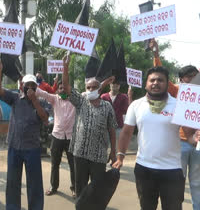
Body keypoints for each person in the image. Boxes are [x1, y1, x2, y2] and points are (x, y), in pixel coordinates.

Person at [113, 66, 200, 210]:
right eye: (152, 80)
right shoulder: (136, 105)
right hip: (144, 169)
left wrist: (195, 138)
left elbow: (189, 136)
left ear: (167, 83)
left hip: (172, 170)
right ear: (146, 84)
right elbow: (127, 132)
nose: (155, 83)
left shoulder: (179, 105)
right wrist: (120, 156)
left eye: (160, 80)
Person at [152, 39, 200, 209]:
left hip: (199, 144)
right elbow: (161, 73)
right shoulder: (177, 91)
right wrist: (156, 54)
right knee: (178, 181)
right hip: (180, 144)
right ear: (182, 79)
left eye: (197, 76)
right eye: (191, 76)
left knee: (197, 183)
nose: (195, 79)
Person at [0, 60, 49, 210]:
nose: (30, 88)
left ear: (36, 87)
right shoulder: (15, 98)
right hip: (14, 147)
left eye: (33, 86)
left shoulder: (42, 102)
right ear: (22, 86)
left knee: (34, 183)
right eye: (27, 85)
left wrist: (34, 100)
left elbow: (45, 119)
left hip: (32, 148)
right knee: (12, 182)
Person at [62, 56, 118, 198]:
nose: (91, 89)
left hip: (99, 155)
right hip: (79, 152)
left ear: (99, 89)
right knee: (80, 187)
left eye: (94, 87)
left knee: (97, 188)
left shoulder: (107, 107)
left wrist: (113, 151)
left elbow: (112, 130)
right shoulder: (81, 101)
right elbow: (67, 87)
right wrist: (65, 67)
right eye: (88, 87)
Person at [35, 80, 76, 197]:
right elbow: (42, 93)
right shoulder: (55, 99)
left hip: (71, 137)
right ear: (58, 90)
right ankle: (54, 187)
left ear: (69, 89)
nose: (63, 90)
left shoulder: (75, 100)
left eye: (65, 88)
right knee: (55, 164)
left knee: (73, 164)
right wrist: (27, 82)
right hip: (57, 136)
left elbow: (89, 93)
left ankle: (75, 188)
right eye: (61, 88)